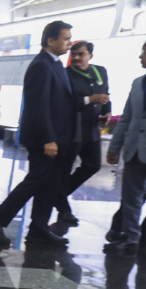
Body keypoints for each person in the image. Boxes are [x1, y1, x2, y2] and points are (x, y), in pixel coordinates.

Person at [0, 21, 75, 247]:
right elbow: (39, 105)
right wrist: (48, 138)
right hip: (46, 139)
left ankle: (39, 227)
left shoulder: (55, 64)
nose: (69, 43)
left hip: (58, 137)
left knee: (50, 183)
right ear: (50, 40)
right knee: (36, 180)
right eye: (65, 39)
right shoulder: (42, 65)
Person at [54, 41, 111, 225]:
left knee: (93, 165)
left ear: (90, 56)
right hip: (72, 128)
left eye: (81, 54)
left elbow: (106, 94)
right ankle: (63, 208)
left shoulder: (100, 71)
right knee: (64, 170)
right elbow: (64, 103)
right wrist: (90, 99)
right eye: (74, 54)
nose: (77, 57)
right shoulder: (67, 74)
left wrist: (106, 112)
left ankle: (57, 195)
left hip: (92, 127)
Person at [105, 40, 146, 254]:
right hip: (135, 148)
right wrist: (114, 147)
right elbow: (126, 118)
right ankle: (130, 237)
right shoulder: (137, 83)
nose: (141, 57)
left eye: (145, 53)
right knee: (131, 196)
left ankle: (142, 233)